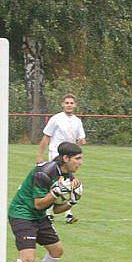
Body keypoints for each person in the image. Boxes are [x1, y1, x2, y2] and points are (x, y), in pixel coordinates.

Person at [5, 142, 83, 262]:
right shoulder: (44, 173)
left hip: (40, 216)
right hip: (22, 213)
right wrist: (56, 191)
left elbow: (55, 209)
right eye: (77, 158)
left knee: (56, 250)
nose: (80, 162)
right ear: (65, 158)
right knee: (27, 258)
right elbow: (39, 204)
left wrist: (72, 201)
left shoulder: (68, 177)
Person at [37, 93, 86, 224]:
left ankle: (64, 214)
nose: (69, 105)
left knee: (67, 183)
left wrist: (81, 141)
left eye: (71, 103)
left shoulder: (77, 121)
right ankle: (51, 213)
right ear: (62, 104)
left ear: (75, 105)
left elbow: (80, 139)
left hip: (70, 157)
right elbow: (46, 137)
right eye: (67, 103)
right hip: (56, 154)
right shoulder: (56, 119)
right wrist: (40, 155)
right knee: (57, 182)